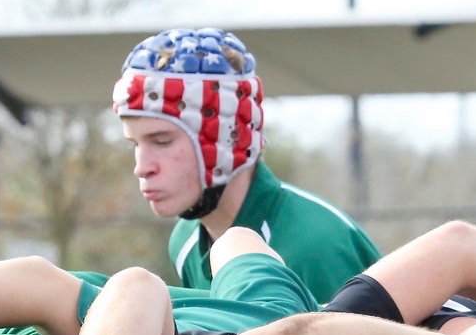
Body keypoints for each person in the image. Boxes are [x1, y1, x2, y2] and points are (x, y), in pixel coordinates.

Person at [115, 28, 379, 302]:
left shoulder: (319, 245)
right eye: (135, 144)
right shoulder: (185, 241)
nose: (142, 167)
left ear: (227, 135)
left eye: (162, 142)